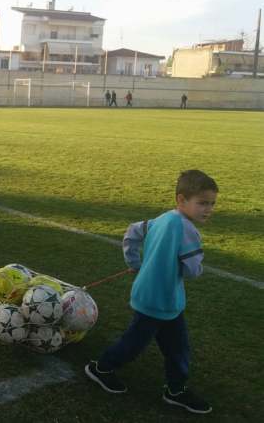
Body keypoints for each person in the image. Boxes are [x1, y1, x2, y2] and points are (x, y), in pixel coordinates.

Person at [85, 170, 218, 415]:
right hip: (159, 301)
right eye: (202, 203)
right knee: (135, 344)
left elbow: (132, 232)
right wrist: (194, 265)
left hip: (156, 298)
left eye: (211, 204)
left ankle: (175, 390)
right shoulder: (188, 230)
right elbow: (192, 271)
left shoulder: (163, 218)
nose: (208, 209)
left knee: (177, 347)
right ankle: (101, 368)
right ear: (181, 199)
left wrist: (134, 262)